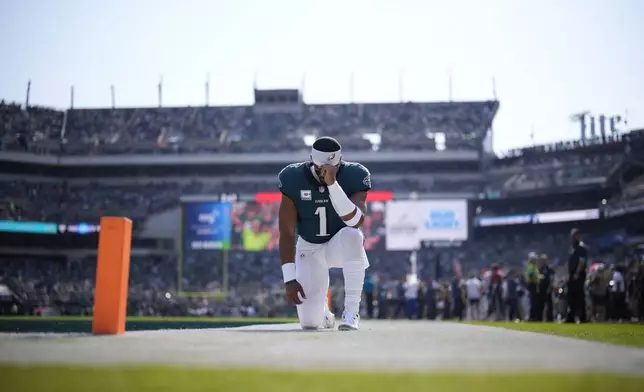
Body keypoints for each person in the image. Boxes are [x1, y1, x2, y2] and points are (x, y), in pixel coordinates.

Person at [278, 137, 371, 331]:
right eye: (322, 169)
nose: (325, 173)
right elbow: (286, 232)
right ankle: (325, 315)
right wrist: (289, 278)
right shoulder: (293, 177)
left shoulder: (355, 174)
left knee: (354, 236)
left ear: (340, 161)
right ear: (312, 160)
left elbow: (355, 221)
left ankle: (351, 312)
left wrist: (332, 184)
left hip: (339, 245)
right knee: (310, 323)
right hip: (309, 248)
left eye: (331, 168)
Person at [566, 228, 588, 323]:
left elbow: (582, 261)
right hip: (572, 275)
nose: (572, 237)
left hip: (578, 275)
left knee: (579, 296)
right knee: (571, 296)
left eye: (574, 235)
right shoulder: (573, 248)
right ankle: (571, 316)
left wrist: (577, 273)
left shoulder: (581, 247)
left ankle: (582, 317)